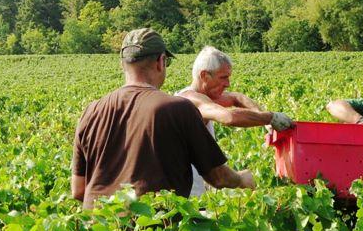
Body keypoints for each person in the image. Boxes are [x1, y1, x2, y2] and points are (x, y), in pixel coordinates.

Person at [71, 28, 255, 209]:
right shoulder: (177, 108)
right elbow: (219, 177)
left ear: (123, 64)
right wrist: (241, 179)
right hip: (154, 230)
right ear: (161, 61)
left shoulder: (90, 112)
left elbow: (78, 191)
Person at [176, 46, 295, 197]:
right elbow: (228, 117)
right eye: (223, 77)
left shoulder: (207, 97)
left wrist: (262, 116)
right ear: (205, 75)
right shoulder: (191, 100)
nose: (228, 84)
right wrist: (270, 117)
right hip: (189, 194)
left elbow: (237, 97)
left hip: (197, 190)